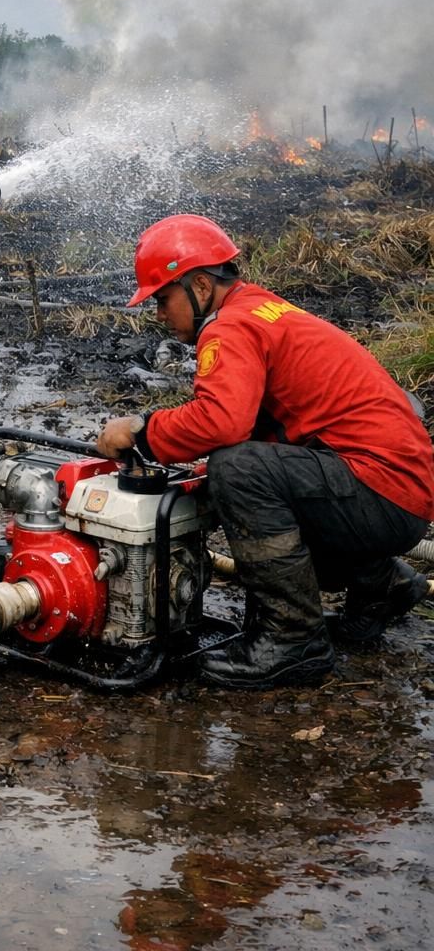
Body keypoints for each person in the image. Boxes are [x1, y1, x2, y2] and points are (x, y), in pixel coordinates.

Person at [96, 213, 433, 690]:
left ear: (199, 285)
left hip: (379, 491)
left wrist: (140, 430)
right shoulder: (261, 310)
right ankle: (381, 585)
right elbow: (261, 427)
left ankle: (294, 640)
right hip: (397, 492)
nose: (159, 315)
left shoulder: (230, 327)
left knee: (238, 471)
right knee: (244, 468)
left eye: (163, 299)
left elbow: (221, 421)